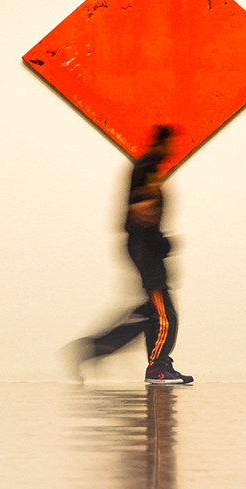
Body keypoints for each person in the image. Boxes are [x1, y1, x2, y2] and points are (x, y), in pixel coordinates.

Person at [67, 124, 193, 386]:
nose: (173, 149)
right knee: (165, 315)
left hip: (147, 250)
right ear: (161, 143)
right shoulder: (145, 168)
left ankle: (96, 349)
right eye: (170, 144)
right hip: (146, 251)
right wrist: (162, 242)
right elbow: (140, 211)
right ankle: (157, 367)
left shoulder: (149, 169)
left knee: (150, 314)